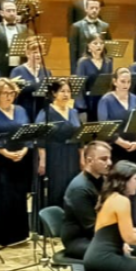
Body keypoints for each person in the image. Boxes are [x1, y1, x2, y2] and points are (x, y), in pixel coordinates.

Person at [0, 78, 32, 246]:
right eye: (5, 93)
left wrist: (24, 150)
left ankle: (18, 234)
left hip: (19, 159)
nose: (9, 96)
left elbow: (28, 133)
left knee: (17, 196)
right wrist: (6, 153)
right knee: (0, 197)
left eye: (12, 93)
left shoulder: (21, 110)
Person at [61, 142, 113, 260]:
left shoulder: (102, 180)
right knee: (128, 253)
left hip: (96, 235)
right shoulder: (80, 189)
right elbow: (91, 227)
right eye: (104, 159)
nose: (109, 163)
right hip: (78, 241)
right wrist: (118, 241)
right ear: (89, 161)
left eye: (110, 158)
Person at [36, 78, 81, 212]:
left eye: (68, 91)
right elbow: (40, 137)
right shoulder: (47, 112)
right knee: (57, 187)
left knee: (72, 187)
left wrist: (82, 157)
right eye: (62, 91)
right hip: (55, 154)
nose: (66, 94)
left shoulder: (73, 112)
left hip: (72, 153)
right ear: (54, 93)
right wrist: (42, 160)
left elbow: (79, 136)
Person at [98, 67, 136, 167]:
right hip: (115, 148)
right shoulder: (106, 100)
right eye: (123, 81)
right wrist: (122, 143)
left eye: (128, 82)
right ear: (115, 82)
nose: (126, 85)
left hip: (135, 147)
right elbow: (105, 127)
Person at [10, 36, 51, 117]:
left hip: (42, 114)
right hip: (22, 113)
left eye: (40, 52)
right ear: (27, 53)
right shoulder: (17, 71)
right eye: (35, 52)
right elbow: (13, 94)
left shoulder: (46, 72)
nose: (38, 55)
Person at [75, 34, 114, 121]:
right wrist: (81, 106)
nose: (99, 46)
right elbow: (79, 86)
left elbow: (110, 82)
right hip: (89, 101)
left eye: (101, 43)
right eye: (95, 43)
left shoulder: (108, 61)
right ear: (88, 45)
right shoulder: (83, 62)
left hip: (104, 99)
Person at [0, 0, 25, 77]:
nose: (11, 13)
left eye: (14, 10)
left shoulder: (23, 28)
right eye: (8, 11)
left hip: (20, 67)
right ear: (1, 13)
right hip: (2, 69)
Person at [69, 0, 110, 66]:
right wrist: (74, 73)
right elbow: (73, 51)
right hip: (82, 65)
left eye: (96, 8)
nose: (94, 10)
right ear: (86, 9)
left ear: (99, 9)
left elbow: (108, 48)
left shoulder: (105, 26)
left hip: (100, 64)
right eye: (92, 8)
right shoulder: (76, 26)